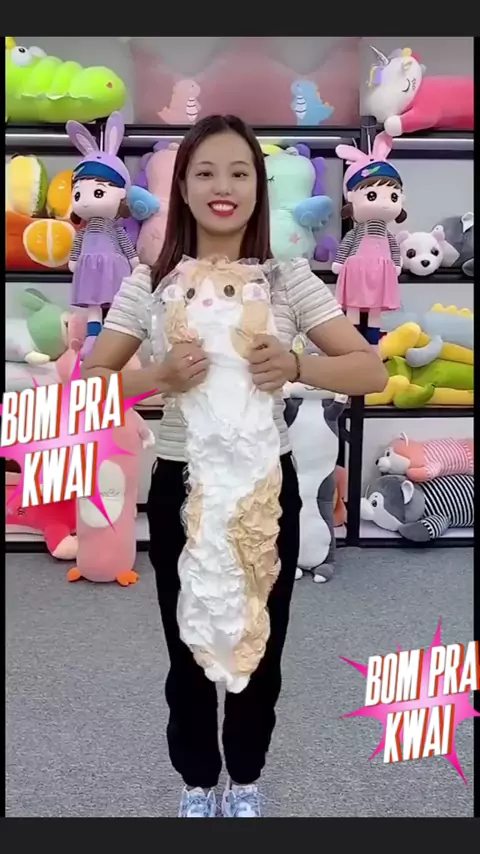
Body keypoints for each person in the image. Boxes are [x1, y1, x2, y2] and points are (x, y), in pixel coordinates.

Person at [82, 114, 387, 818]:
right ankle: (197, 783)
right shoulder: (148, 281)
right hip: (181, 488)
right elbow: (87, 387)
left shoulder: (289, 280)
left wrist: (299, 366)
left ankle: (245, 780)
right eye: (206, 172)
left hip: (264, 494)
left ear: (258, 187)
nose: (224, 186)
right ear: (183, 188)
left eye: (240, 172)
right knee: (188, 646)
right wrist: (157, 377)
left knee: (262, 646)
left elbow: (369, 369)